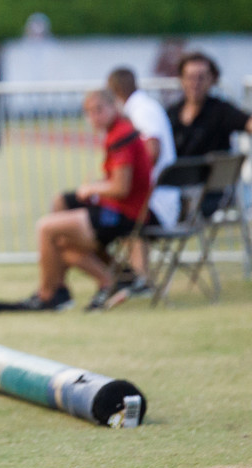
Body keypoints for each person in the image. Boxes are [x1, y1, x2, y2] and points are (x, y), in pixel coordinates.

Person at [21, 90, 152, 312]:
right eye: (89, 112)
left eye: (99, 110)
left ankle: (51, 293)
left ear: (114, 107)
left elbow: (121, 188)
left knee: (46, 229)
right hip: (120, 209)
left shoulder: (122, 135)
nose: (94, 117)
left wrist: (93, 188)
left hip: (126, 215)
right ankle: (65, 287)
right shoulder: (117, 132)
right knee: (61, 206)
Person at [106, 66, 177, 300]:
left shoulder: (141, 111)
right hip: (159, 197)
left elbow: (152, 150)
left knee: (112, 215)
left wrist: (125, 177)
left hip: (157, 202)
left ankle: (133, 278)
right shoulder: (146, 106)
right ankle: (134, 276)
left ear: (113, 91)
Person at [166, 51, 252, 216]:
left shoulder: (221, 111)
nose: (195, 83)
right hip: (173, 191)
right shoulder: (171, 113)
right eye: (190, 77)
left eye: (201, 77)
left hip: (210, 194)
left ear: (212, 79)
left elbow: (248, 123)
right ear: (181, 79)